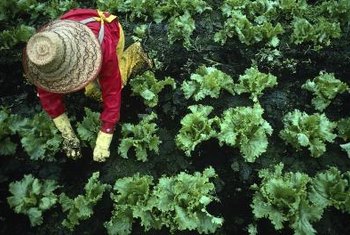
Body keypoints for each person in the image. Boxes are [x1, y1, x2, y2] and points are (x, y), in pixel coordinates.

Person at [22, 8, 152, 162]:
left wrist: (105, 137)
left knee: (96, 92)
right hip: (79, 29)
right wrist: (68, 135)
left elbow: (112, 91)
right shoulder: (45, 50)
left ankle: (134, 55)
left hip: (110, 32)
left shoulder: (101, 48)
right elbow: (47, 95)